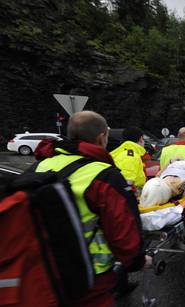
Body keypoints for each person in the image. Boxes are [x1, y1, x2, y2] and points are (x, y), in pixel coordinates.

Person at [33, 111, 151, 307]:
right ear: (102, 137)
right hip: (89, 277)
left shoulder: (40, 166)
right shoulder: (104, 175)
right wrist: (137, 261)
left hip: (43, 270)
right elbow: (124, 232)